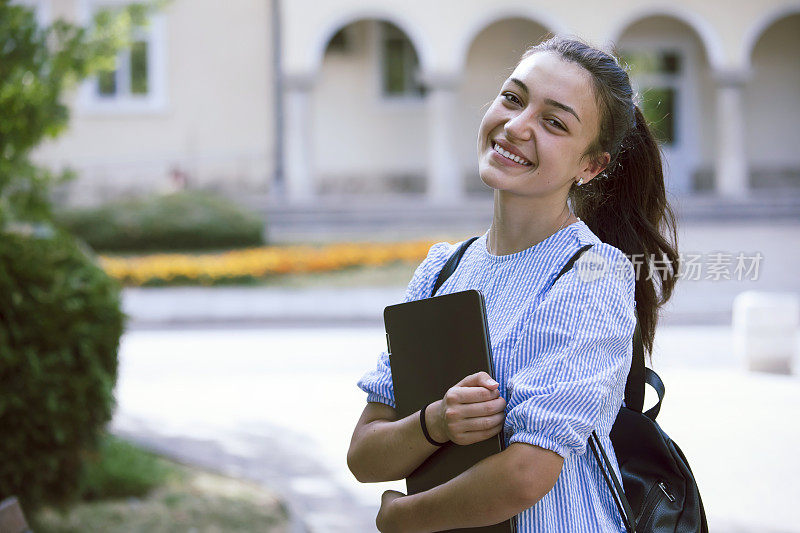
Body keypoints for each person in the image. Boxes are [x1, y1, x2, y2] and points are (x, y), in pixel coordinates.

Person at [347, 35, 680, 533]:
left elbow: (526, 474)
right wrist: (436, 423)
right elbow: (366, 456)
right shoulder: (442, 269)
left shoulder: (591, 274)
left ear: (591, 166)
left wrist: (403, 518)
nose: (517, 126)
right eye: (513, 98)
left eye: (554, 122)